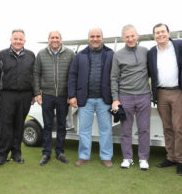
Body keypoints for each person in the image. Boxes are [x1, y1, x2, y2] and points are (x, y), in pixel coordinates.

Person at [68, 28, 114, 168]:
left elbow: (116, 75)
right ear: (88, 38)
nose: (95, 39)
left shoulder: (110, 54)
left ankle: (106, 157)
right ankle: (84, 156)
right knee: (84, 129)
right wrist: (72, 95)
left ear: (102, 38)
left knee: (106, 129)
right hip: (85, 99)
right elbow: (72, 75)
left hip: (104, 99)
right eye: (92, 36)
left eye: (98, 36)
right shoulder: (80, 55)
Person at [111, 25, 151, 170]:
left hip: (144, 96)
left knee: (144, 129)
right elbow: (114, 77)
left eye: (132, 35)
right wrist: (115, 98)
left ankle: (143, 158)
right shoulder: (118, 55)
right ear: (123, 38)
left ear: (137, 35)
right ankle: (127, 158)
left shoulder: (145, 52)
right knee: (125, 130)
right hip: (125, 97)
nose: (130, 39)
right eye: (127, 36)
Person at [0, 29, 35, 167]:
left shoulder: (31, 55)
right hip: (7, 94)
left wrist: (34, 93)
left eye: (20, 39)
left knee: (19, 125)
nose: (18, 41)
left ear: (24, 41)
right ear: (10, 39)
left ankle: (16, 153)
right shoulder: (2, 55)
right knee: (5, 125)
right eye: (15, 39)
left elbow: (34, 76)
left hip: (25, 95)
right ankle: (2, 155)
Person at [34, 31, 75, 166]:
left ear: (61, 40)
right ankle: (46, 153)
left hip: (63, 97)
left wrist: (71, 94)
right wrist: (37, 93)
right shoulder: (41, 54)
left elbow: (73, 75)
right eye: (52, 37)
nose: (55, 40)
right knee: (48, 125)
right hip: (47, 95)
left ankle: (59, 152)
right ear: (48, 40)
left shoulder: (70, 54)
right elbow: (36, 75)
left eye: (57, 37)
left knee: (62, 125)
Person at [148, 23, 182, 175]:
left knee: (179, 128)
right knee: (167, 128)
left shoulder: (179, 45)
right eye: (157, 33)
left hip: (178, 92)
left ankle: (180, 160)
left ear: (169, 33)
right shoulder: (152, 52)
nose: (160, 35)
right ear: (154, 36)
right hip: (161, 93)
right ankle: (171, 157)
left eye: (163, 32)